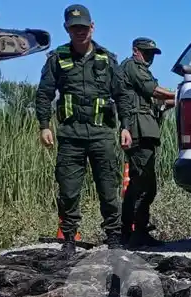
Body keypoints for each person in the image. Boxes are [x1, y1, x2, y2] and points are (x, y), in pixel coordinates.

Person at [35, 4, 134, 257]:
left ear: (92, 27)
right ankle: (69, 238)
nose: (79, 32)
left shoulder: (107, 59)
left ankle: (113, 237)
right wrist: (44, 126)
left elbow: (122, 95)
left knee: (108, 188)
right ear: (66, 29)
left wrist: (126, 127)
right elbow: (44, 94)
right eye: (74, 28)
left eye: (83, 27)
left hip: (102, 134)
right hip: (70, 135)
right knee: (68, 190)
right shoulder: (58, 58)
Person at [117, 37, 176, 248]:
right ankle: (136, 232)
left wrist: (180, 99)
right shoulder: (133, 67)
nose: (150, 57)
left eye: (152, 53)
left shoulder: (140, 69)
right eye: (146, 52)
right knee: (145, 184)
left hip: (145, 129)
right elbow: (154, 90)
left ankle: (130, 231)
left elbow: (158, 99)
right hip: (138, 130)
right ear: (135, 51)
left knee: (138, 183)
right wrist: (181, 93)